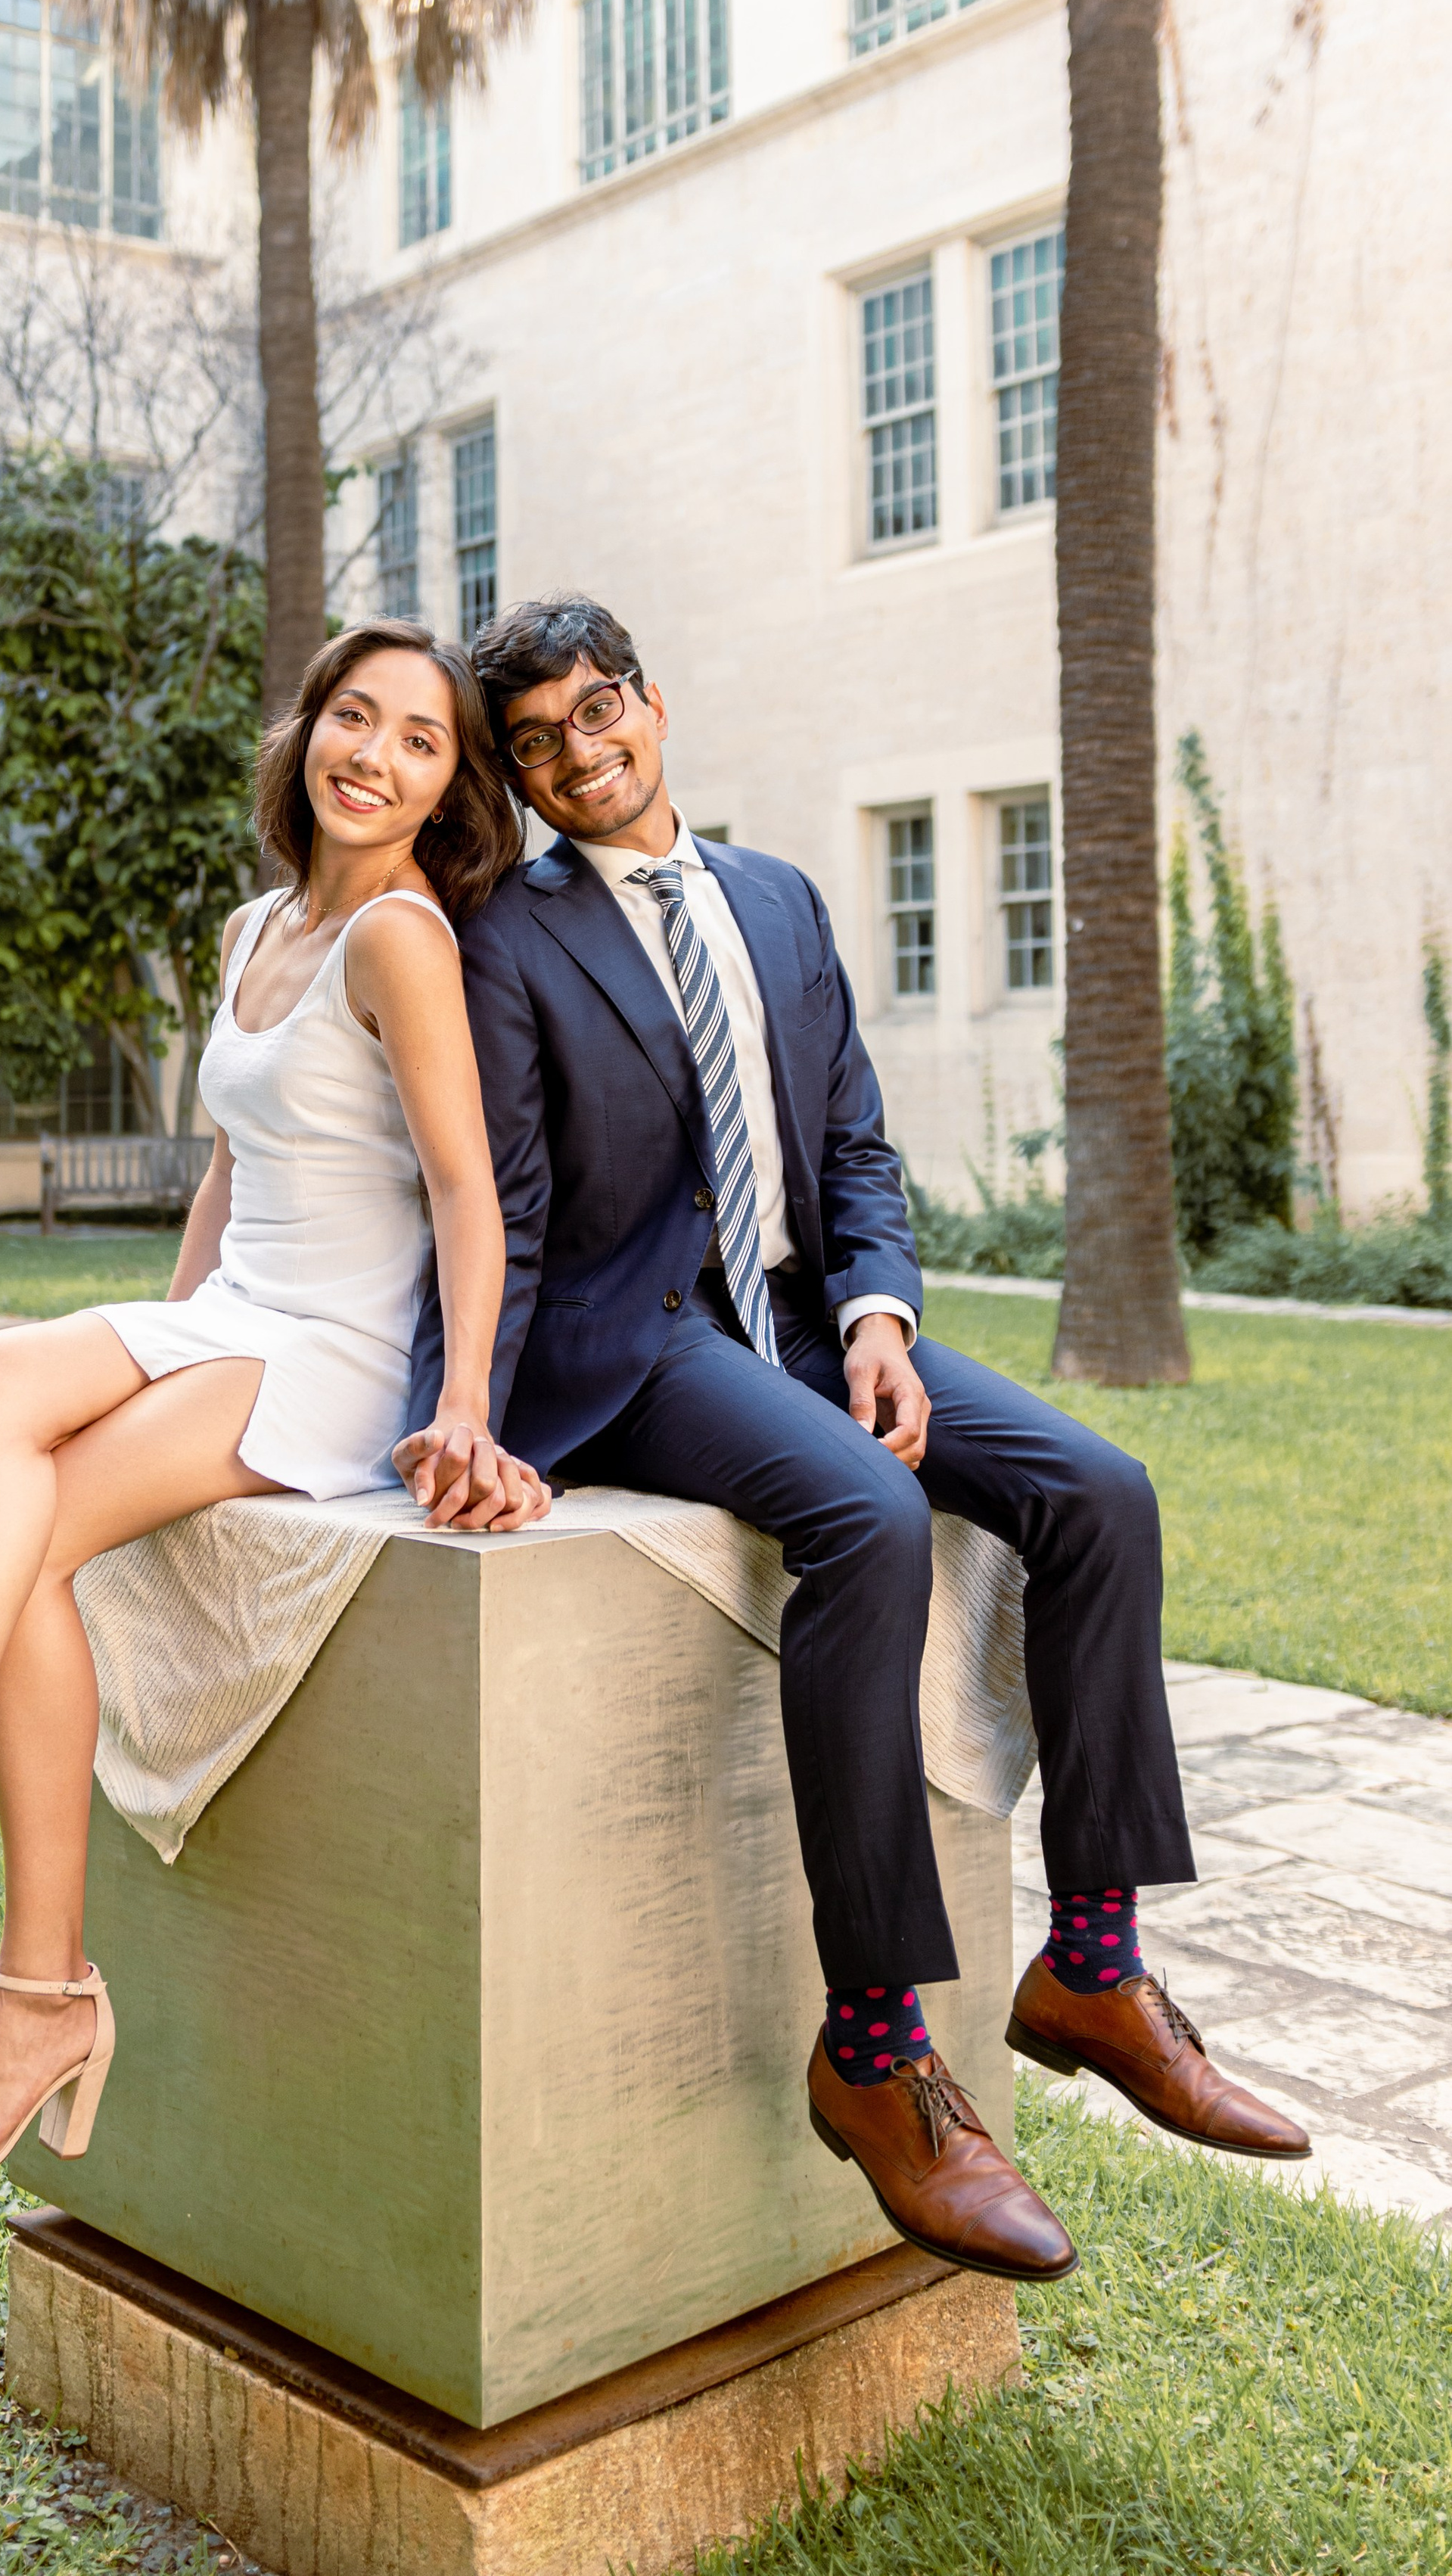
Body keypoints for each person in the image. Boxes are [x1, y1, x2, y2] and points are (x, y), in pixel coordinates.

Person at [406, 592, 1309, 2285]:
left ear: (651, 703)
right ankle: (876, 2048)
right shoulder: (506, 939)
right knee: (862, 1518)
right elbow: (508, 1206)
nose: (577, 756)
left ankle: (1091, 1967)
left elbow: (854, 1154)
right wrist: (468, 1409)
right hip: (638, 1343)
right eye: (533, 744)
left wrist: (879, 1321)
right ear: (514, 774)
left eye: (598, 713)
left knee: (1098, 1492)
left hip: (813, 1322)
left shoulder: (778, 897)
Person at [0, 622, 549, 2178]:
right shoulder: (256, 933)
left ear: (448, 790)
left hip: (338, 1355)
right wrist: (157, 1345)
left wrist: (469, 1403)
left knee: (25, 1517)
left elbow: (464, 1188)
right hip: (236, 1316)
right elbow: (231, 1167)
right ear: (305, 734)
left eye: (420, 742)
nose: (372, 755)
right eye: (350, 717)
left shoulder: (401, 938)